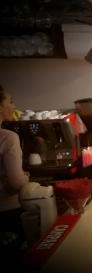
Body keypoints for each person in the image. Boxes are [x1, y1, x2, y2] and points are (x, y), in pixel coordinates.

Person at [0, 84, 29, 265]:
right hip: (7, 211)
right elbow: (17, 183)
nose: (14, 106)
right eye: (10, 102)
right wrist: (25, 177)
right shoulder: (8, 137)